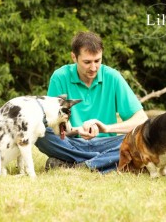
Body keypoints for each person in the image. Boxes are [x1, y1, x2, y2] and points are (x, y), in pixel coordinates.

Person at [35, 31, 148, 173]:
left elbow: (142, 120)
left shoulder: (113, 77)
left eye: (97, 61)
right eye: (87, 62)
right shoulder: (60, 77)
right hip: (71, 142)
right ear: (74, 57)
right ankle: (105, 162)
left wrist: (106, 128)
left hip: (107, 143)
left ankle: (78, 165)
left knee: (141, 137)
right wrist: (76, 130)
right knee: (40, 133)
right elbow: (51, 124)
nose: (93, 68)